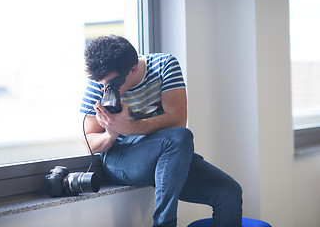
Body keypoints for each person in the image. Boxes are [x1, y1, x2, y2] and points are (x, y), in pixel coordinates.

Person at [80, 35, 242, 227]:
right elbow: (88, 140)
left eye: (111, 85)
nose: (105, 89)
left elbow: (177, 120)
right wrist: (111, 133)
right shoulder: (100, 82)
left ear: (132, 70)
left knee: (228, 191)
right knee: (178, 139)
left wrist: (130, 127)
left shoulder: (164, 65)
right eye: (102, 84)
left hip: (167, 152)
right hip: (121, 157)